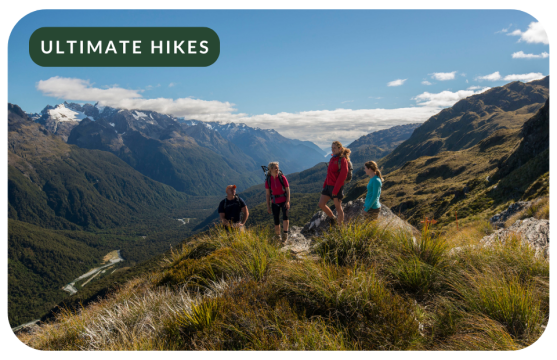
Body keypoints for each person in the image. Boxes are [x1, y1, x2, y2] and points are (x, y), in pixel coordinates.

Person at [318, 141, 351, 225]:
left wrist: (335, 190)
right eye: (332, 148)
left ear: (339, 149)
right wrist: (325, 183)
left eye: (334, 148)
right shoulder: (332, 158)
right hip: (328, 186)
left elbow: (342, 177)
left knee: (338, 208)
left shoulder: (342, 160)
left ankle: (340, 228)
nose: (332, 150)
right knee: (321, 204)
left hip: (336, 187)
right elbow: (329, 173)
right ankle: (333, 218)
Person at [265, 162, 290, 242]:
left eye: (278, 167)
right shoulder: (268, 180)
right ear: (271, 169)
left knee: (285, 217)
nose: (277, 169)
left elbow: (287, 190)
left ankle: (285, 235)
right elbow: (268, 194)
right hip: (275, 202)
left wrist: (288, 201)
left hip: (284, 201)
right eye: (275, 168)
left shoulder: (282, 177)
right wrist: (268, 206)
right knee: (276, 220)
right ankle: (278, 237)